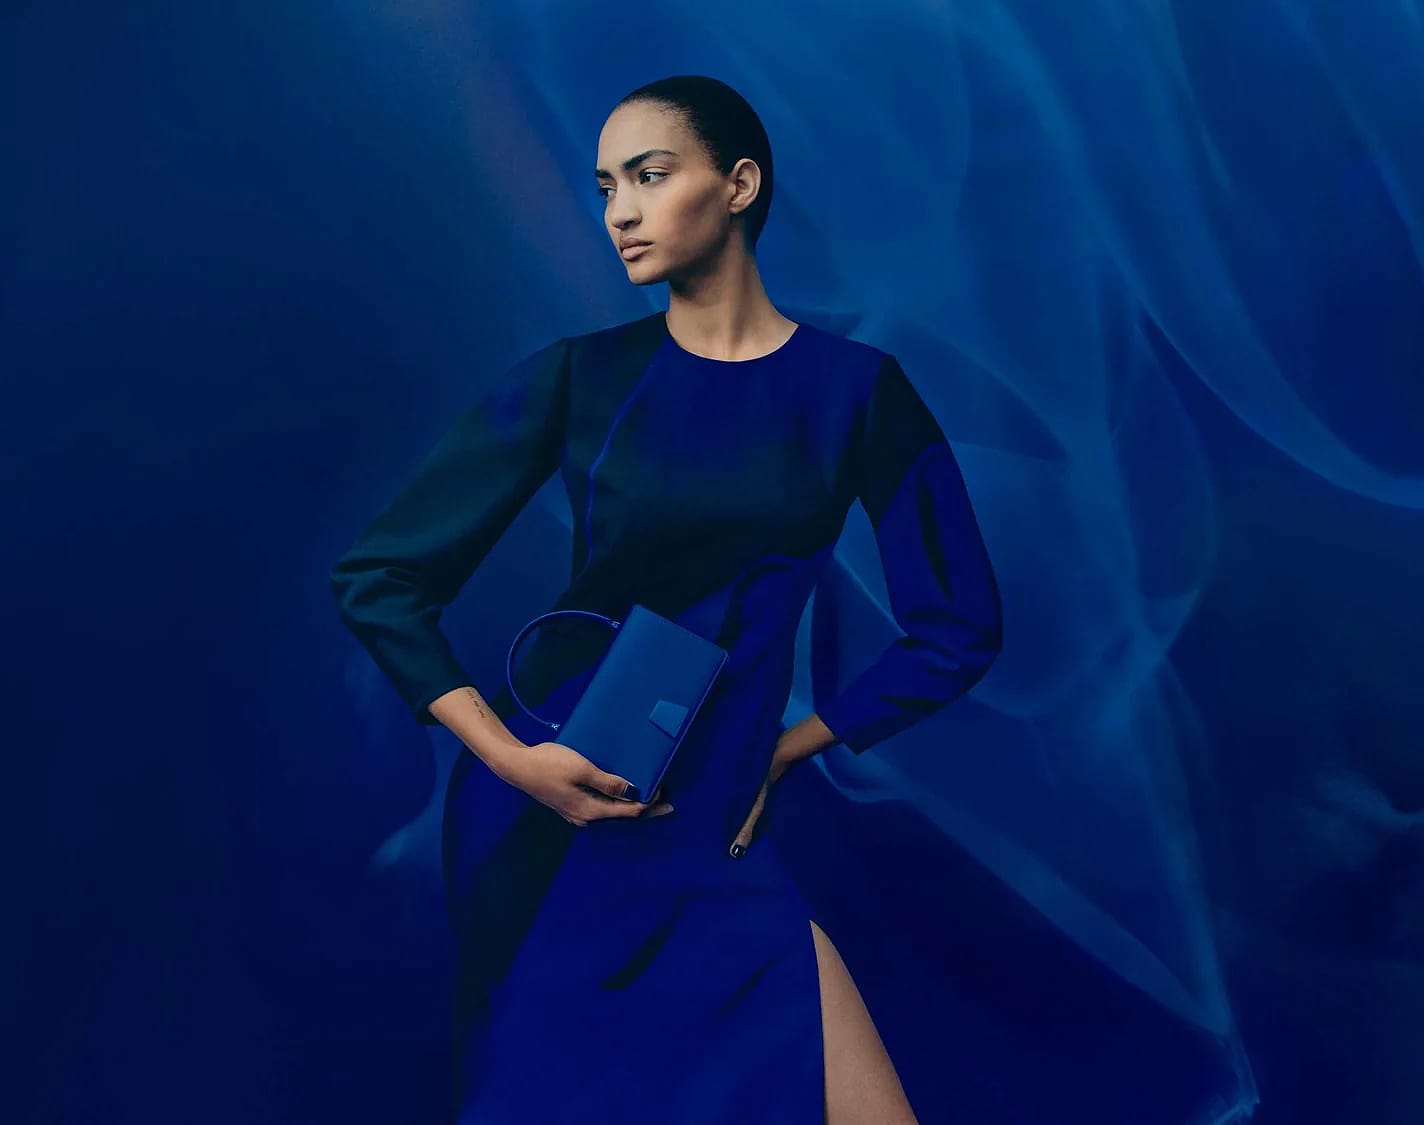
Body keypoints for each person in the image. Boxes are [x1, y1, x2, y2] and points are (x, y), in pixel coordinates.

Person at [328, 74, 1004, 1123]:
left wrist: (787, 748)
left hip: (712, 819)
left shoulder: (858, 392)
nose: (620, 213)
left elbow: (960, 625)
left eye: (648, 176)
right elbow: (381, 578)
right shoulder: (579, 378)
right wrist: (510, 760)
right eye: (606, 188)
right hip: (556, 809)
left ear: (739, 184)